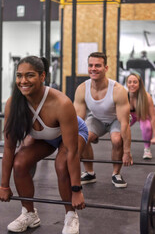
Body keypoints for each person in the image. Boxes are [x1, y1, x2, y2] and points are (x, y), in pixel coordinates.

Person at [0, 56, 88, 234]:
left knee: (61, 164)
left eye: (30, 75)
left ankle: (71, 215)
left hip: (72, 133)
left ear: (42, 76)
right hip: (45, 137)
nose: (23, 81)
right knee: (19, 163)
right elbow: (9, 148)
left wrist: (77, 189)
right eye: (19, 75)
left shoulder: (61, 103)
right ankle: (29, 213)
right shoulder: (13, 103)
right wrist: (3, 186)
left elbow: (71, 151)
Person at [74, 52, 133, 188]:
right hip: (96, 119)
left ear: (105, 68)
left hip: (115, 119)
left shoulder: (118, 90)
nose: (93, 68)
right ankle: (89, 173)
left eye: (98, 65)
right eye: (91, 65)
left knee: (117, 140)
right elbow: (77, 120)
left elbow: (124, 123)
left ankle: (116, 174)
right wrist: (71, 149)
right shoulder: (82, 89)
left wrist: (127, 151)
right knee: (83, 137)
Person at [126, 73, 155, 159]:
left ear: (139, 84)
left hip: (143, 115)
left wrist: (154, 136)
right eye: (130, 82)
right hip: (130, 115)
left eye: (135, 82)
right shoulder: (124, 96)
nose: (132, 84)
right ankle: (125, 150)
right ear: (126, 83)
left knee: (147, 127)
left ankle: (147, 149)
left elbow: (153, 117)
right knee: (122, 127)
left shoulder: (146, 97)